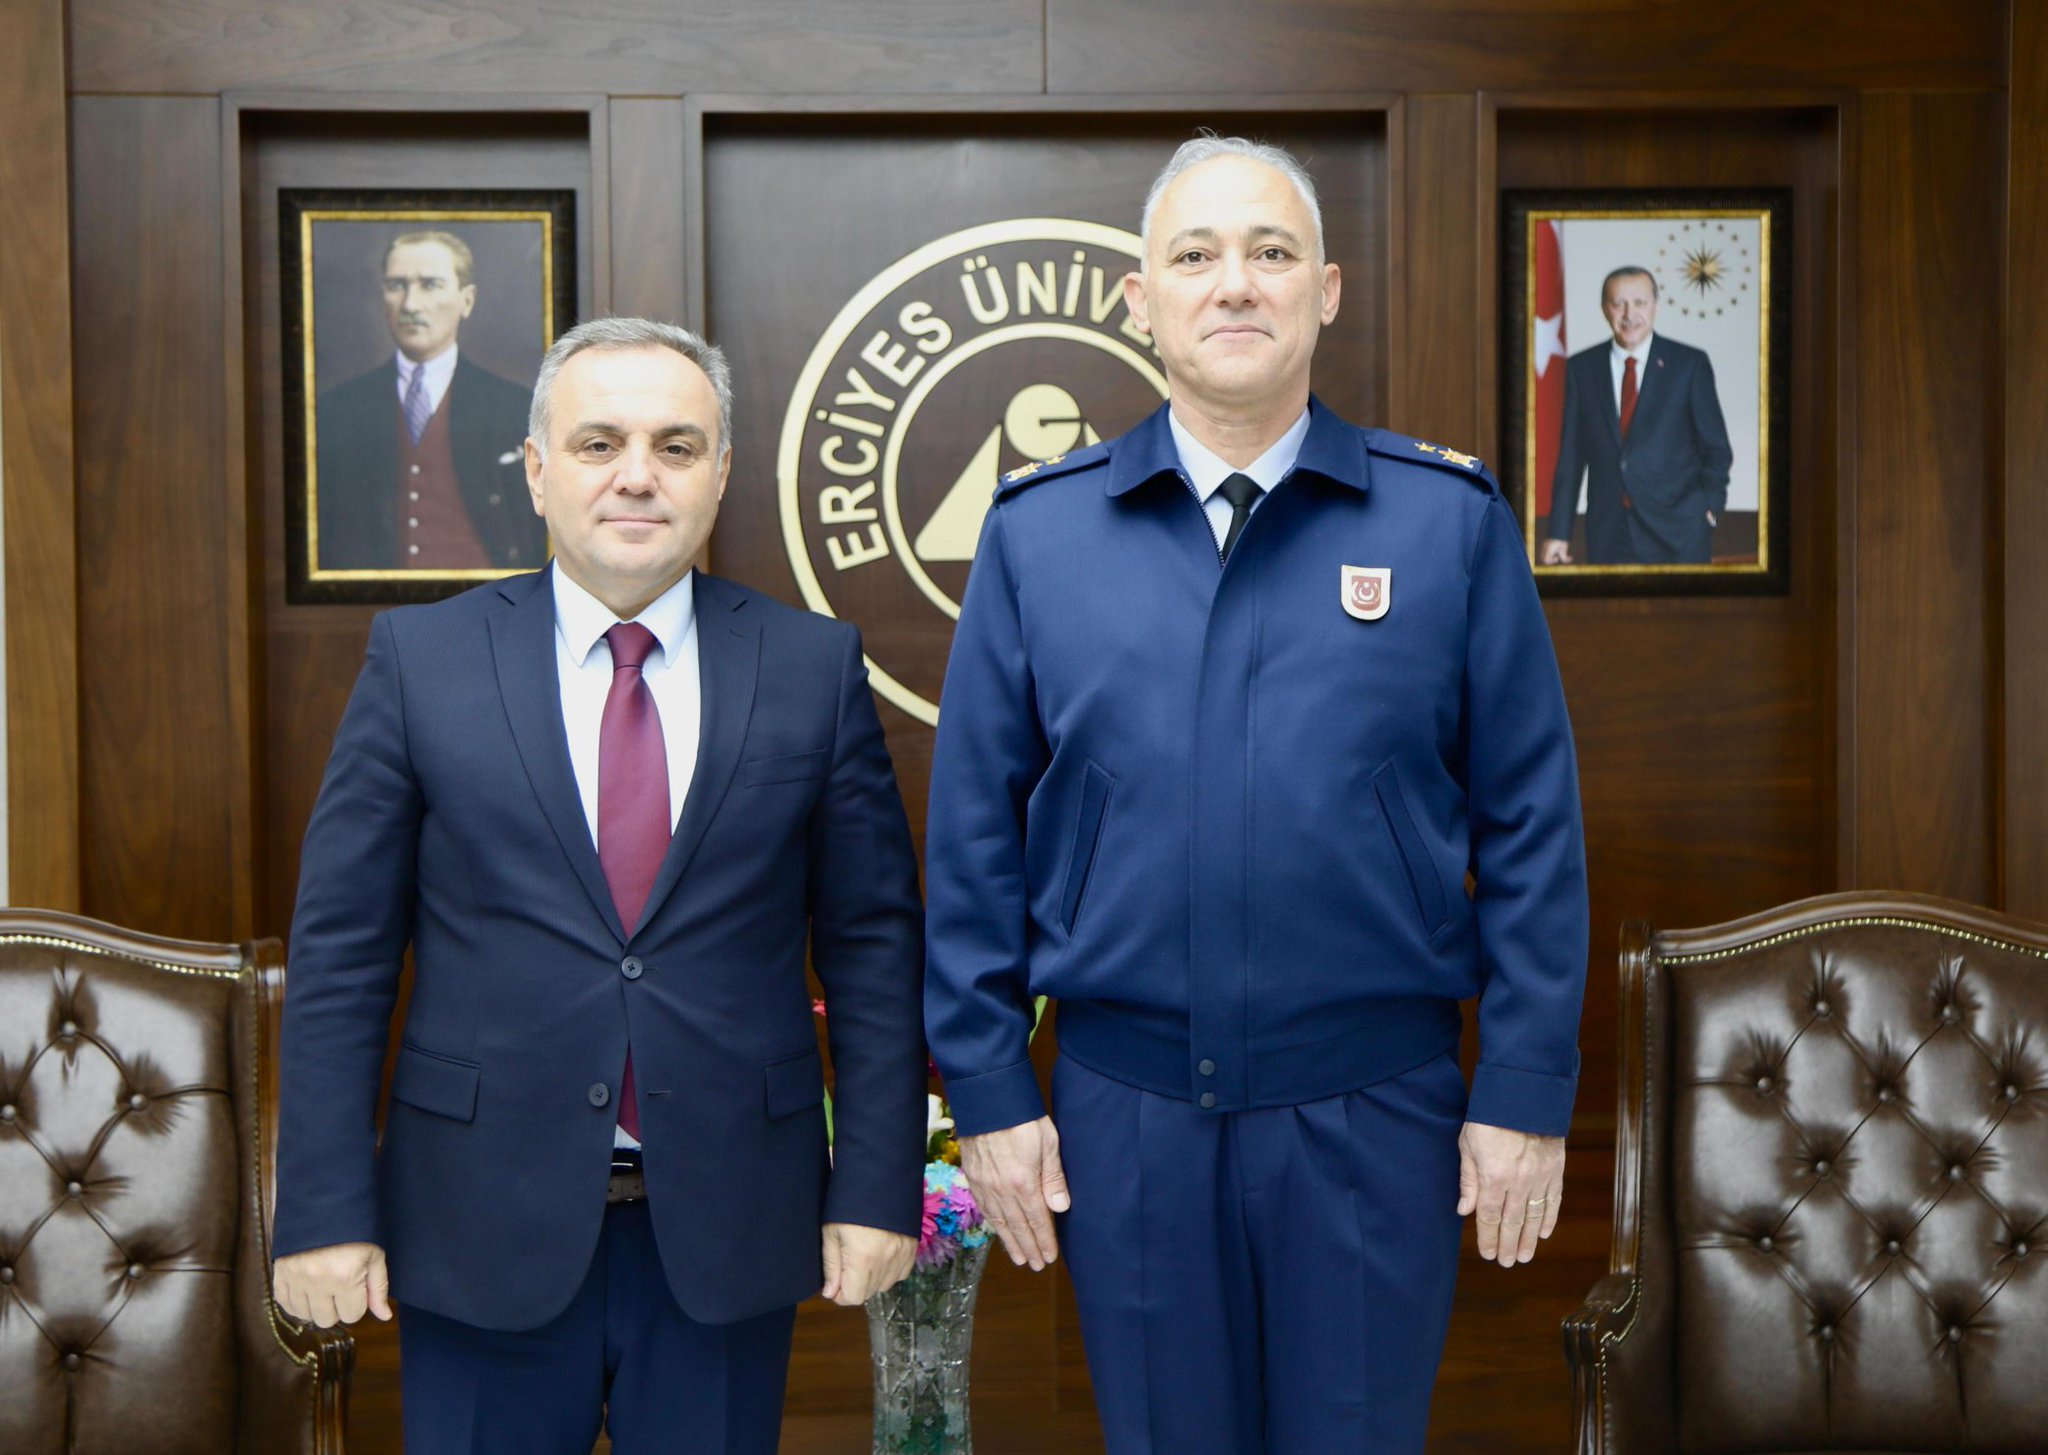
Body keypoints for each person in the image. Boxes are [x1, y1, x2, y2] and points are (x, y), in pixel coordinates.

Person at [923, 135, 1589, 1454]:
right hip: (1127, 1114)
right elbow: (970, 843)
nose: (1237, 283)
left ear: (1326, 290)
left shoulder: (1444, 522)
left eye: (1271, 253)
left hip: (1376, 1113)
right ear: (1141, 299)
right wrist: (992, 1090)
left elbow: (1532, 826)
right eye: (1198, 256)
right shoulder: (1037, 532)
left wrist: (1522, 1088)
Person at [272, 317, 927, 1454]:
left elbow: (871, 945)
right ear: (535, 470)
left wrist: (875, 1185)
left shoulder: (812, 668)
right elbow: (343, 956)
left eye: (677, 446)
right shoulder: (419, 663)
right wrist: (324, 1208)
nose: (638, 475)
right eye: (598, 443)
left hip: (728, 1226)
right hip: (475, 1223)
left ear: (720, 474)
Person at [314, 230, 549, 572]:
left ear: (466, 300)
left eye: (430, 285)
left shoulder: (513, 405)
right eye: (397, 286)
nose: (410, 305)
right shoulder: (338, 409)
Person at [1540, 265, 1734, 565]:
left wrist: (1709, 508)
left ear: (1656, 304)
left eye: (1640, 303)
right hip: (1608, 533)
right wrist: (1559, 532)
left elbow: (1716, 449)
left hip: (1680, 532)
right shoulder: (1581, 369)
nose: (1629, 314)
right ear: (1605, 308)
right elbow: (1570, 458)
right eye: (1619, 303)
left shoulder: (1689, 365)